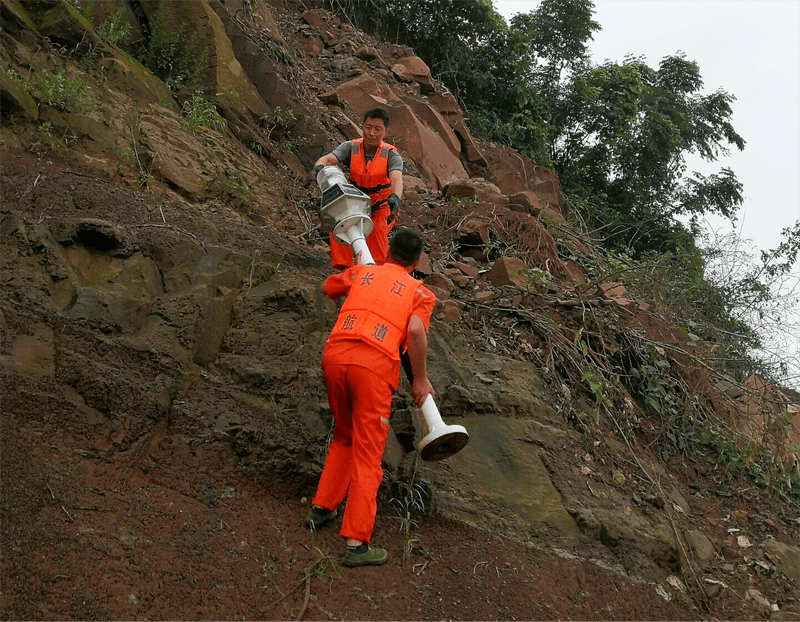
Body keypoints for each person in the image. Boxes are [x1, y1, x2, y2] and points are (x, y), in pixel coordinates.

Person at [306, 228, 435, 567]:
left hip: (335, 356)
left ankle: (321, 508)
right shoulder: (420, 292)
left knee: (344, 434)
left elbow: (328, 286)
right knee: (367, 454)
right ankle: (356, 543)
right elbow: (417, 331)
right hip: (374, 367)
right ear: (417, 262)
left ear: (388, 250)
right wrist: (420, 380)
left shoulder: (364, 271)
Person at [308, 108, 404, 270]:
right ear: (362, 127)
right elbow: (329, 159)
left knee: (377, 236)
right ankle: (344, 271)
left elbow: (396, 178)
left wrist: (395, 197)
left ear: (385, 132)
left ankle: (374, 274)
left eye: (377, 129)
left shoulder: (391, 155)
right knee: (337, 225)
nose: (371, 133)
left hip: (380, 206)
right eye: (368, 127)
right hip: (354, 202)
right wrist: (318, 167)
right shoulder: (350, 148)